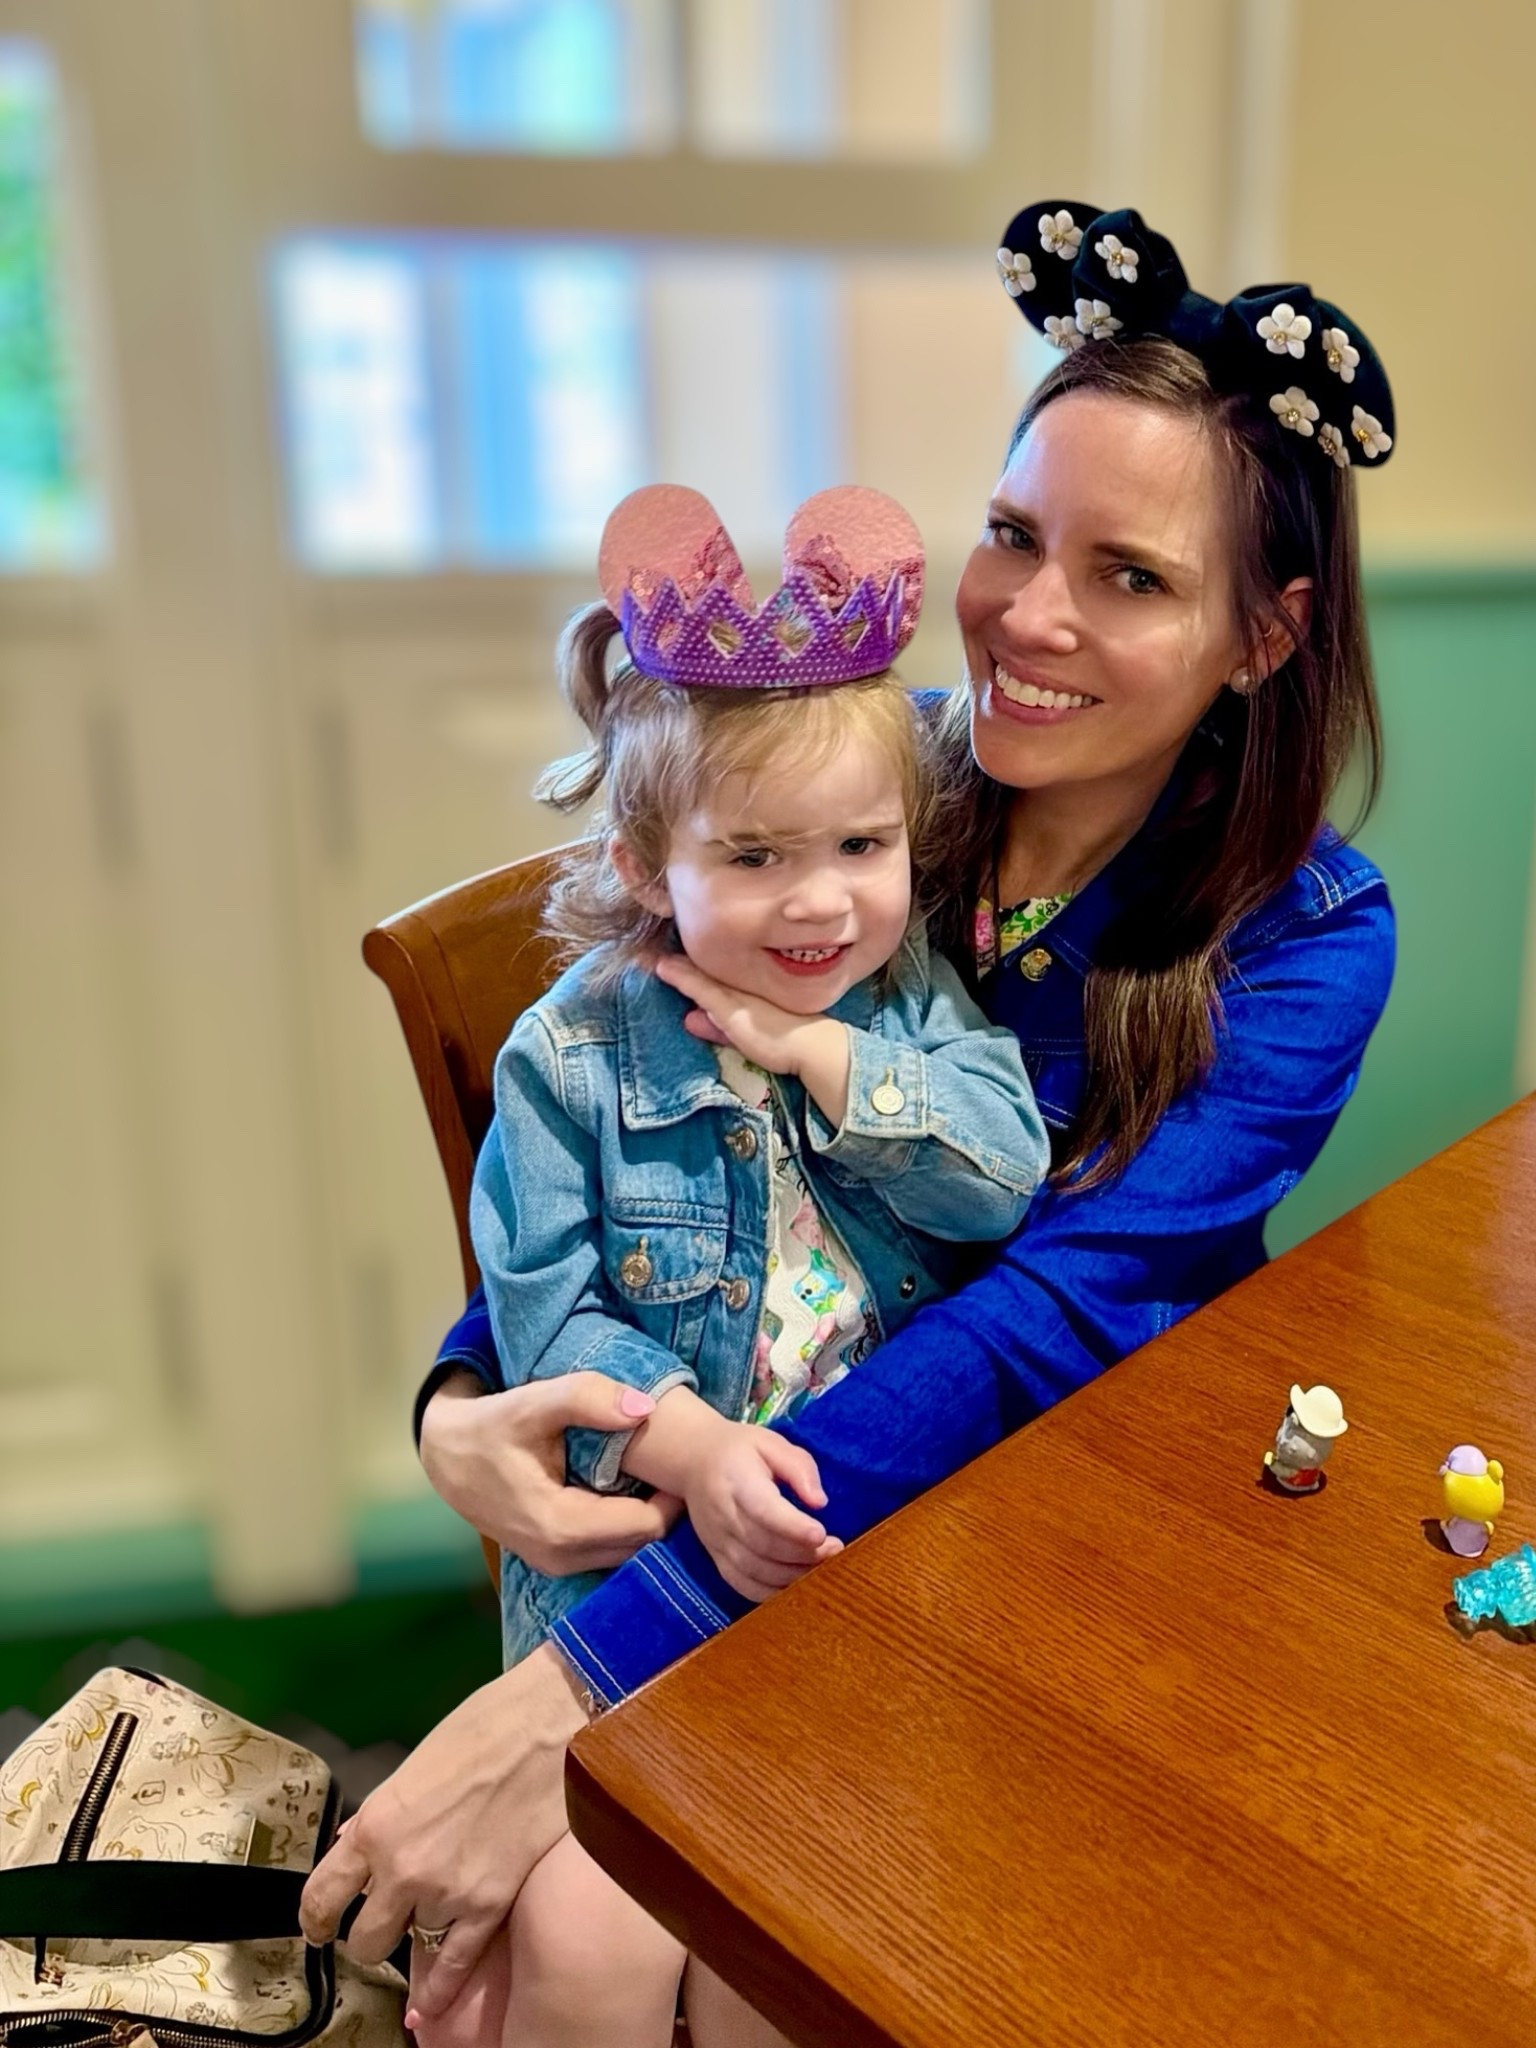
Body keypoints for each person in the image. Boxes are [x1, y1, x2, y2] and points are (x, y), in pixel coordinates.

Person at [301, 200, 1398, 2047]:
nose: (1028, 620)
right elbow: (611, 1110)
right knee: (548, 1965)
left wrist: (589, 1671)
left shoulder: (1302, 938)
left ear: (1266, 635)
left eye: (1130, 577)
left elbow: (1045, 1326)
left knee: (775, 1954)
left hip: (1049, 1521)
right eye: (1010, 536)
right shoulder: (849, 786)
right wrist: (458, 1406)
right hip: (752, 1490)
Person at [445, 480, 1048, 2046]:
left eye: (861, 843)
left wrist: (818, 1055)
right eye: (759, 856)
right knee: (590, 1940)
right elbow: (542, 1312)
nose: (822, 898)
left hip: (868, 1560)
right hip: (650, 1560)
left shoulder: (906, 1002)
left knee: (794, 1942)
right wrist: (689, 1437)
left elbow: (1000, 1182)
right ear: (652, 863)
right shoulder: (568, 1054)